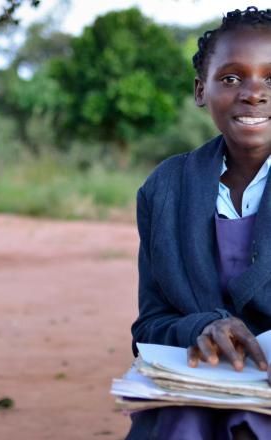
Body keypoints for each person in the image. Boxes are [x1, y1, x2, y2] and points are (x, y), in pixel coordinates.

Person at [126, 6, 271, 440]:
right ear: (199, 90)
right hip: (196, 394)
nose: (254, 94)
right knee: (183, 424)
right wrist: (201, 327)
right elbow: (148, 327)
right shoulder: (165, 189)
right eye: (231, 78)